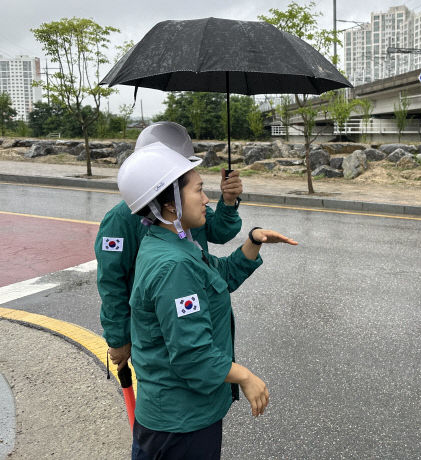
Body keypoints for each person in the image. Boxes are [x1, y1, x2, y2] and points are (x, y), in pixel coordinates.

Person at [117, 142, 297, 459]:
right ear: (171, 204)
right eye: (198, 190)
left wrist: (253, 240)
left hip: (180, 417)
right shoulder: (174, 266)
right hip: (180, 425)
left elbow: (220, 276)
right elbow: (192, 356)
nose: (206, 199)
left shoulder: (171, 242)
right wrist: (245, 376)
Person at [95, 121, 243, 369]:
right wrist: (119, 336)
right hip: (155, 325)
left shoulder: (185, 206)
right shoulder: (121, 219)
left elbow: (219, 231)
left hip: (193, 312)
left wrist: (229, 202)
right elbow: (112, 281)